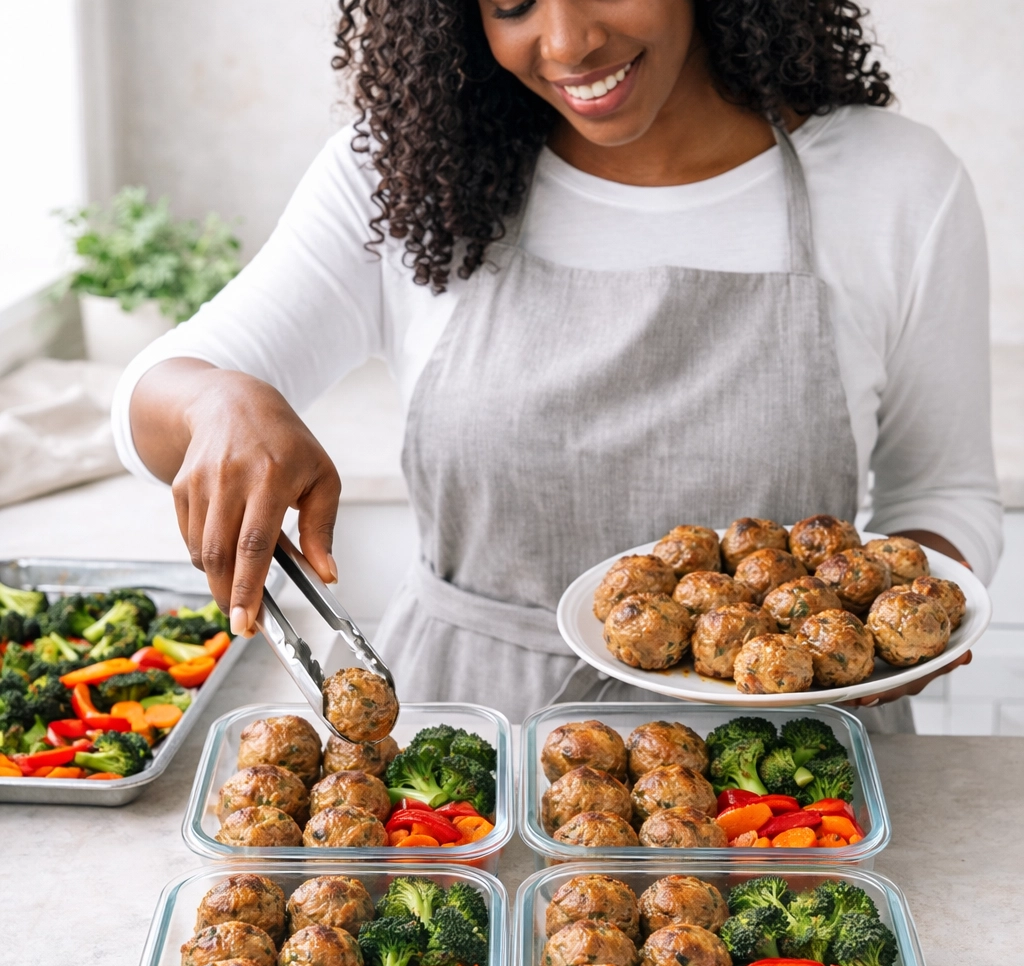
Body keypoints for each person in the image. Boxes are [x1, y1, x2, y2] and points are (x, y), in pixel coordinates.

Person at [113, 0, 1002, 728]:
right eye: (510, 4)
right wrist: (219, 402)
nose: (568, 41)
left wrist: (890, 634)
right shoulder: (411, 176)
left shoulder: (894, 186)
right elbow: (156, 393)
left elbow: (943, 494)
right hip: (466, 756)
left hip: (793, 778)